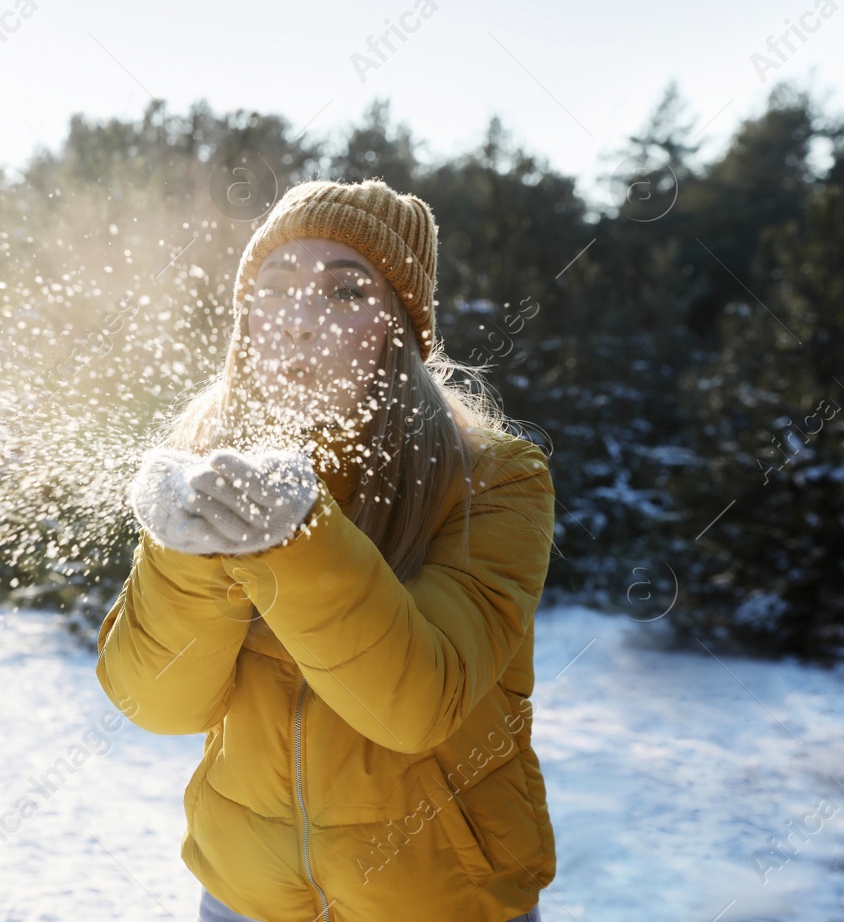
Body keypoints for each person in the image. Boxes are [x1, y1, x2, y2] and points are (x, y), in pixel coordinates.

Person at [96, 178, 555, 922]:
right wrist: (186, 554)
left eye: (345, 293)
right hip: (245, 900)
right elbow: (154, 702)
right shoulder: (210, 463)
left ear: (398, 328)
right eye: (274, 288)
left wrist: (299, 537)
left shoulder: (496, 479)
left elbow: (415, 706)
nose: (300, 319)